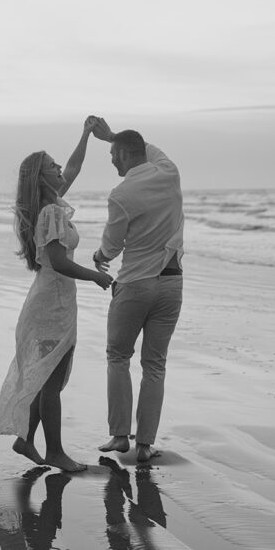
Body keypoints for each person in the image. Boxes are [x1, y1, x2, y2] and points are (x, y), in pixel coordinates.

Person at [0, 118, 113, 472]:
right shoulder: (51, 211)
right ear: (42, 177)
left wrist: (86, 135)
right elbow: (57, 261)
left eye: (58, 165)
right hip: (51, 302)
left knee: (46, 377)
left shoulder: (48, 206)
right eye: (53, 167)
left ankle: (26, 440)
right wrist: (94, 277)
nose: (61, 169)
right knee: (53, 382)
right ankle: (55, 451)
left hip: (52, 299)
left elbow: (74, 166)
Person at [90, 118, 184, 464]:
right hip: (172, 283)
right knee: (154, 365)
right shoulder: (169, 172)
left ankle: (119, 437)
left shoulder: (122, 194)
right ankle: (145, 445)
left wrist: (99, 257)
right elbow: (148, 148)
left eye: (113, 154)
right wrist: (111, 135)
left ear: (126, 155)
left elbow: (112, 245)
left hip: (135, 285)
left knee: (118, 356)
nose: (112, 160)